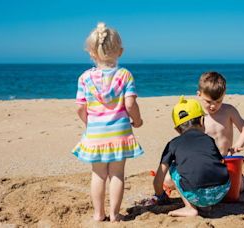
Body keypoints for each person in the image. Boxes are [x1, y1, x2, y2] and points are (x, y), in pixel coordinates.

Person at [72, 22, 144, 222]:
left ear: (91, 54)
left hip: (95, 134)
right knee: (117, 175)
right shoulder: (124, 75)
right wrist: (137, 121)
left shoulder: (84, 78)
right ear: (120, 51)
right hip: (119, 134)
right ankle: (114, 214)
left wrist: (89, 123)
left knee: (98, 175)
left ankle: (98, 214)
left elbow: (79, 107)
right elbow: (130, 104)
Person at [152, 97, 230, 217]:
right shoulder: (209, 140)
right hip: (222, 191)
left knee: (173, 167)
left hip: (197, 195)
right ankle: (206, 205)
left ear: (178, 129)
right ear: (202, 121)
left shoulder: (173, 144)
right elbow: (219, 161)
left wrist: (160, 195)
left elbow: (158, 180)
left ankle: (190, 208)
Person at [197, 71, 244, 156]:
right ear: (199, 95)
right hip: (206, 161)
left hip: (227, 158)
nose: (213, 106)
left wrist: (238, 145)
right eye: (208, 101)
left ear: (224, 95)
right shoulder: (197, 115)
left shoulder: (228, 111)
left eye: (218, 101)